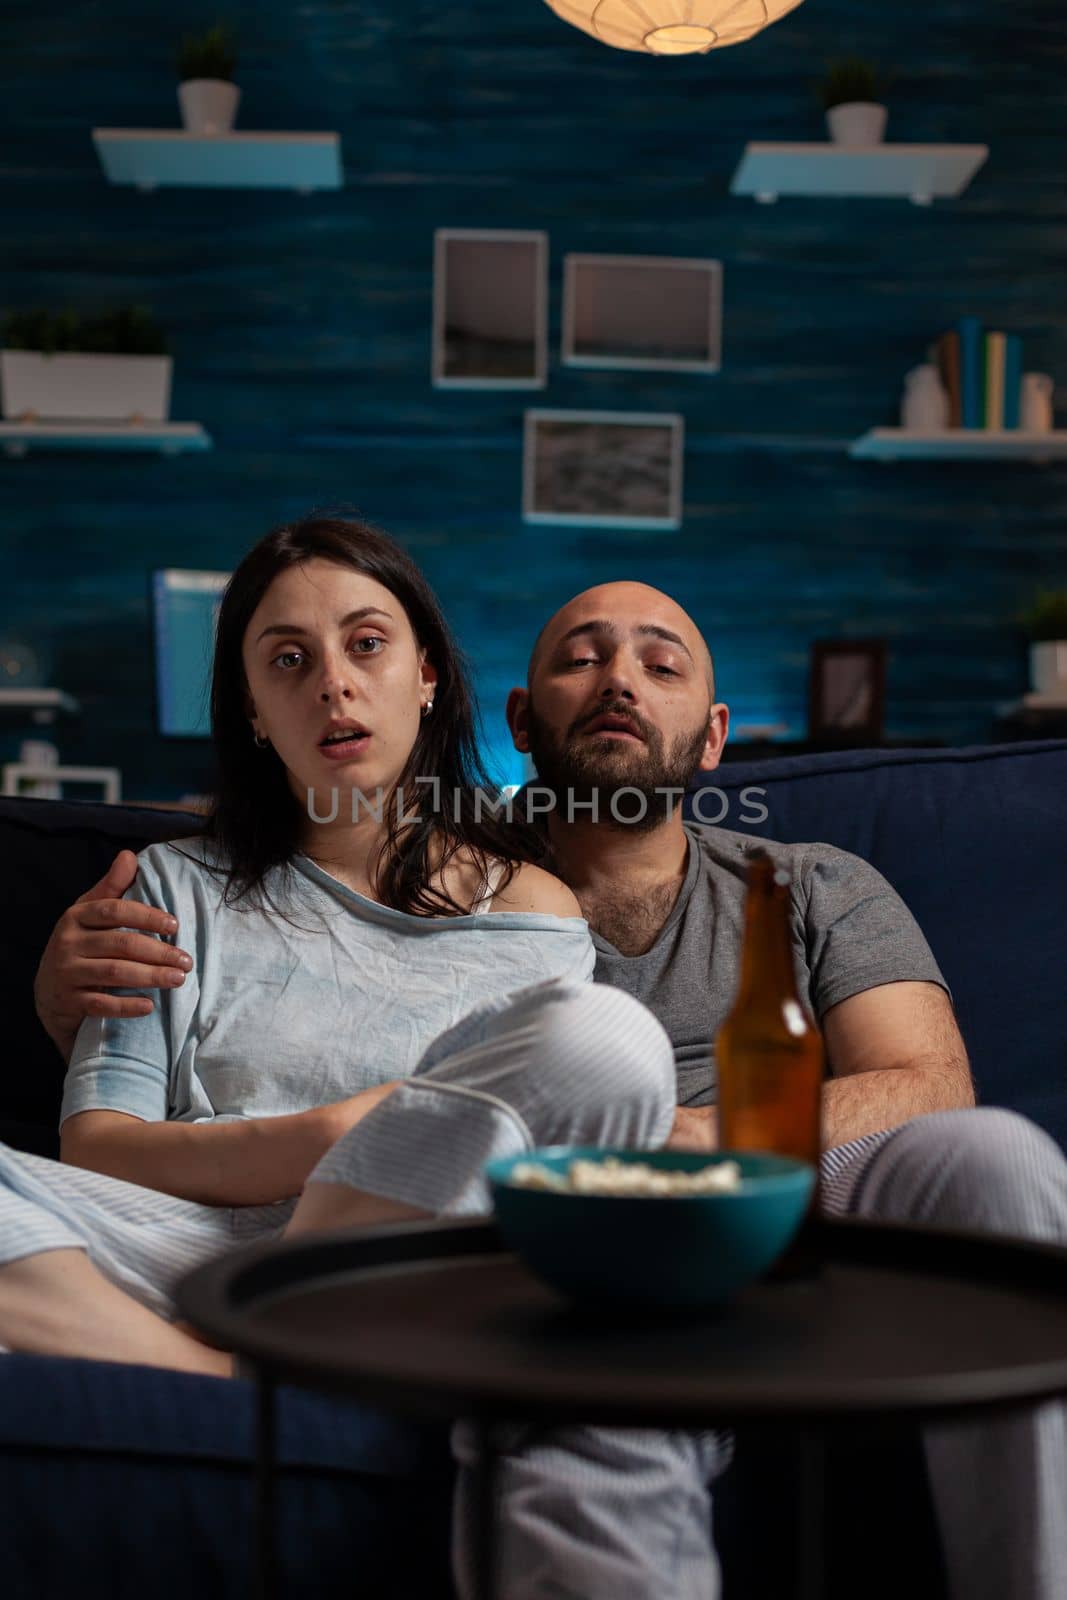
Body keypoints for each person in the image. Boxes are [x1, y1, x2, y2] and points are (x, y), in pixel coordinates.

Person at [34, 579, 1067, 1600]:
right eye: (581, 657)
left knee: (997, 1156)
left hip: (787, 1188)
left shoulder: (813, 882)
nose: (619, 678)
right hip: (544, 1221)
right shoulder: (442, 874)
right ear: (519, 720)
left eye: (659, 663)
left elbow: (928, 1083)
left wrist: (690, 1142)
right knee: (600, 1283)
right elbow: (301, 970)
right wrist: (65, 1000)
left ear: (712, 737)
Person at [0, 511, 615, 1375]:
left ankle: (212, 1359)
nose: (333, 684)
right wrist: (331, 1133)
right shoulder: (172, 884)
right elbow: (97, 1147)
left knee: (604, 1044)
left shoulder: (535, 915)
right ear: (254, 710)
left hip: (401, 1259)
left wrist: (380, 1147)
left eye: (367, 645)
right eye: (289, 660)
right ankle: (227, 1377)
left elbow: (525, 1158)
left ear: (427, 675)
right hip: (181, 1249)